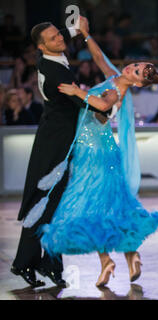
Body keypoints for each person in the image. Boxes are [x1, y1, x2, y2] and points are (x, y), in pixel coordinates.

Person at [27, 18, 158, 287]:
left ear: (136, 84)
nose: (131, 68)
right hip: (94, 152)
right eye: (135, 65)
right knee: (110, 207)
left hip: (96, 155)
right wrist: (87, 35)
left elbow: (102, 106)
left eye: (135, 72)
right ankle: (128, 257)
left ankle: (109, 261)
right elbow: (100, 57)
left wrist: (78, 91)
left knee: (94, 209)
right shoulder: (115, 77)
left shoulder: (118, 92)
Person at [10, 19, 107, 288]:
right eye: (53, 38)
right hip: (55, 145)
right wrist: (107, 105)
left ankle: (44, 263)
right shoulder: (55, 72)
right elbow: (82, 102)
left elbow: (66, 35)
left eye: (59, 34)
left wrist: (80, 30)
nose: (60, 39)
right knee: (45, 204)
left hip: (57, 139)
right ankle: (30, 262)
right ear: (41, 47)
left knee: (55, 206)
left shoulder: (50, 59)